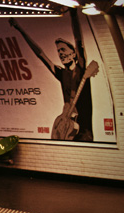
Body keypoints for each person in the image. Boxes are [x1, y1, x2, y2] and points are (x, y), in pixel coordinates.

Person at [9, 9, 93, 141]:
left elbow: (79, 41)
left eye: (63, 49)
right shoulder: (61, 73)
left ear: (73, 53)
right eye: (58, 51)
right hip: (66, 128)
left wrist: (73, 15)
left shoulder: (80, 69)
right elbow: (40, 54)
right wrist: (20, 29)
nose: (60, 53)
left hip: (83, 131)